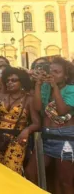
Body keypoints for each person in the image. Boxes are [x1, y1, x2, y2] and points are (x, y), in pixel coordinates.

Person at [26, 57, 74, 193]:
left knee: (64, 180)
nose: (52, 74)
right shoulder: (45, 87)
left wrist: (54, 87)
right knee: (31, 172)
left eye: (57, 72)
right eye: (50, 70)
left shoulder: (71, 89)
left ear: (66, 75)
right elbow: (37, 107)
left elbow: (62, 110)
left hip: (66, 139)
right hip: (47, 136)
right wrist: (38, 85)